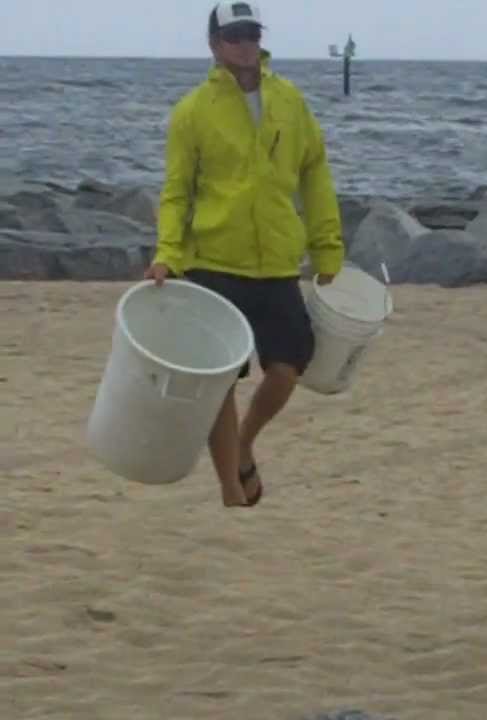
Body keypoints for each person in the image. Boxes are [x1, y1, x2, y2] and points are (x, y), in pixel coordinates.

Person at [145, 1, 345, 509]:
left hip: (276, 260)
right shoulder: (192, 112)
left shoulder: (290, 101)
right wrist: (167, 252)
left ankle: (245, 444)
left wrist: (327, 246)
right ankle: (231, 490)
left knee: (289, 365)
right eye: (234, 36)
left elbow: (315, 174)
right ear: (214, 46)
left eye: (251, 34)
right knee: (220, 383)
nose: (245, 45)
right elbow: (176, 192)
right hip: (214, 262)